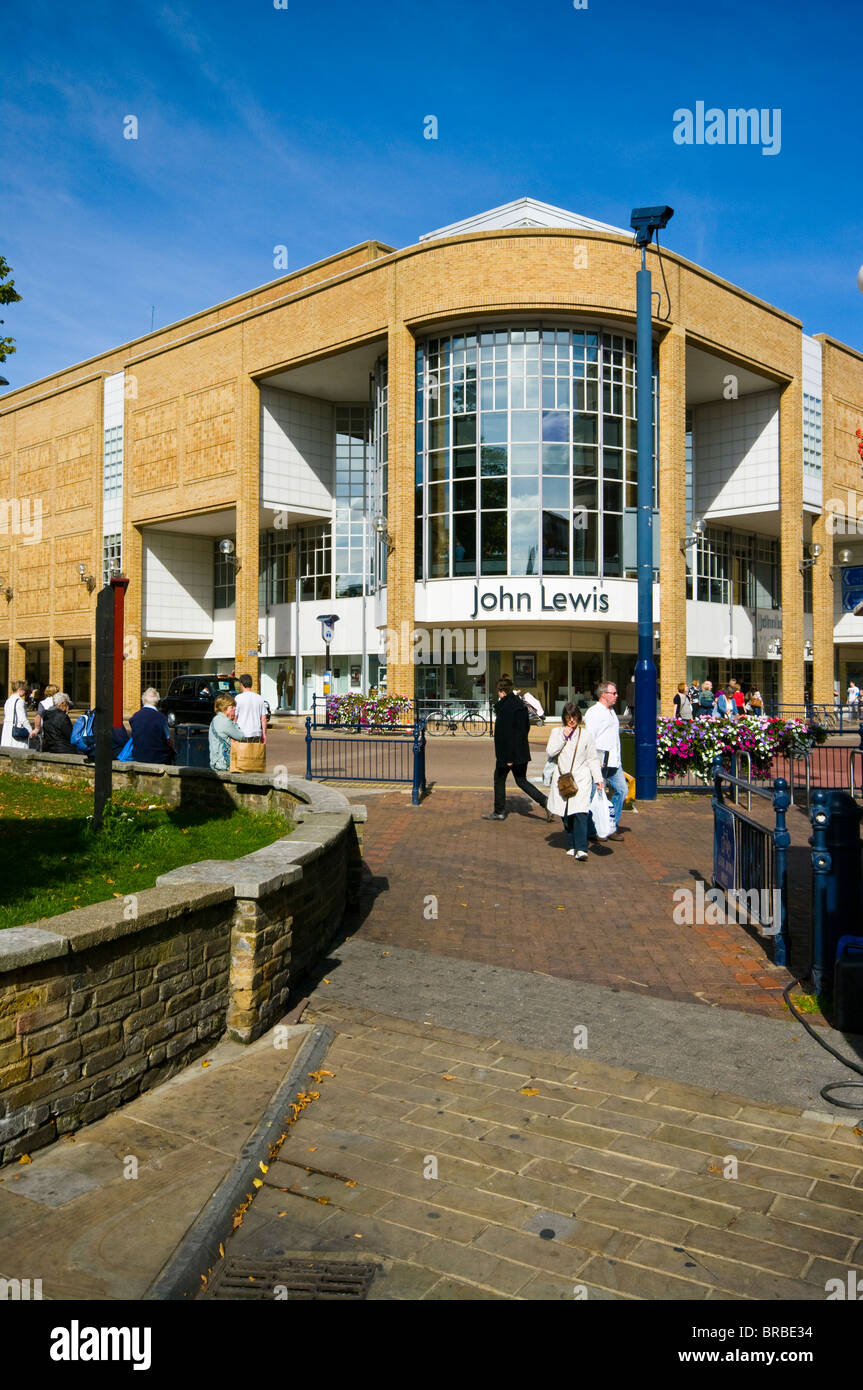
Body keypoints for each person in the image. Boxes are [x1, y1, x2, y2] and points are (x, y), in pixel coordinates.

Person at [482, 677, 548, 822]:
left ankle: (499, 811)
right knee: (521, 780)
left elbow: (508, 734)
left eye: (498, 691)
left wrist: (509, 758)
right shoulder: (519, 704)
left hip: (508, 754)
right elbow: (525, 728)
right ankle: (545, 802)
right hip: (521, 751)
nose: (498, 694)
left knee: (499, 779)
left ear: (503, 692)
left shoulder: (506, 708)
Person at [545, 703, 604, 860]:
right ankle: (571, 844)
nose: (571, 720)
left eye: (574, 716)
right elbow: (551, 751)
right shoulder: (556, 732)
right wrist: (563, 737)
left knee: (580, 813)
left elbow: (592, 758)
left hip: (581, 778)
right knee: (566, 814)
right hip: (563, 779)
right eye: (568, 717)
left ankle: (582, 848)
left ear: (579, 716)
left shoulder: (585, 735)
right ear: (564, 717)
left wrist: (598, 778)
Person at [584, 680, 627, 841]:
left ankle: (611, 826)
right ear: (603, 694)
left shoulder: (612, 712)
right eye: (613, 693)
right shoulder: (594, 713)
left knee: (622, 790)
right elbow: (590, 738)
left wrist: (619, 759)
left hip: (615, 762)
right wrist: (593, 760)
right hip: (600, 762)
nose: (617, 696)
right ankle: (591, 829)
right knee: (594, 795)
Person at [130, 688, 174, 764]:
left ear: (143, 700)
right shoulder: (161, 718)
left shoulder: (134, 717)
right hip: (159, 758)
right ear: (157, 702)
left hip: (138, 757)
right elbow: (168, 740)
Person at [209, 692, 247, 771]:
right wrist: (234, 721)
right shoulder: (225, 722)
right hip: (224, 763)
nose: (234, 709)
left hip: (215, 761)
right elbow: (241, 736)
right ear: (226, 708)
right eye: (232, 707)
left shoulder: (215, 719)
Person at [235, 673, 268, 744]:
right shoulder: (260, 698)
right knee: (254, 754)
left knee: (243, 755)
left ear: (241, 684)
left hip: (242, 733)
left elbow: (235, 717)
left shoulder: (238, 698)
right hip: (256, 733)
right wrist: (264, 734)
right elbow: (264, 718)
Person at [1, 681, 30, 748]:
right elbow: (22, 719)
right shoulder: (20, 701)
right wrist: (30, 730)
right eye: (24, 690)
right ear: (19, 690)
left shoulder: (8, 701)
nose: (25, 692)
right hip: (17, 729)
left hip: (7, 729)